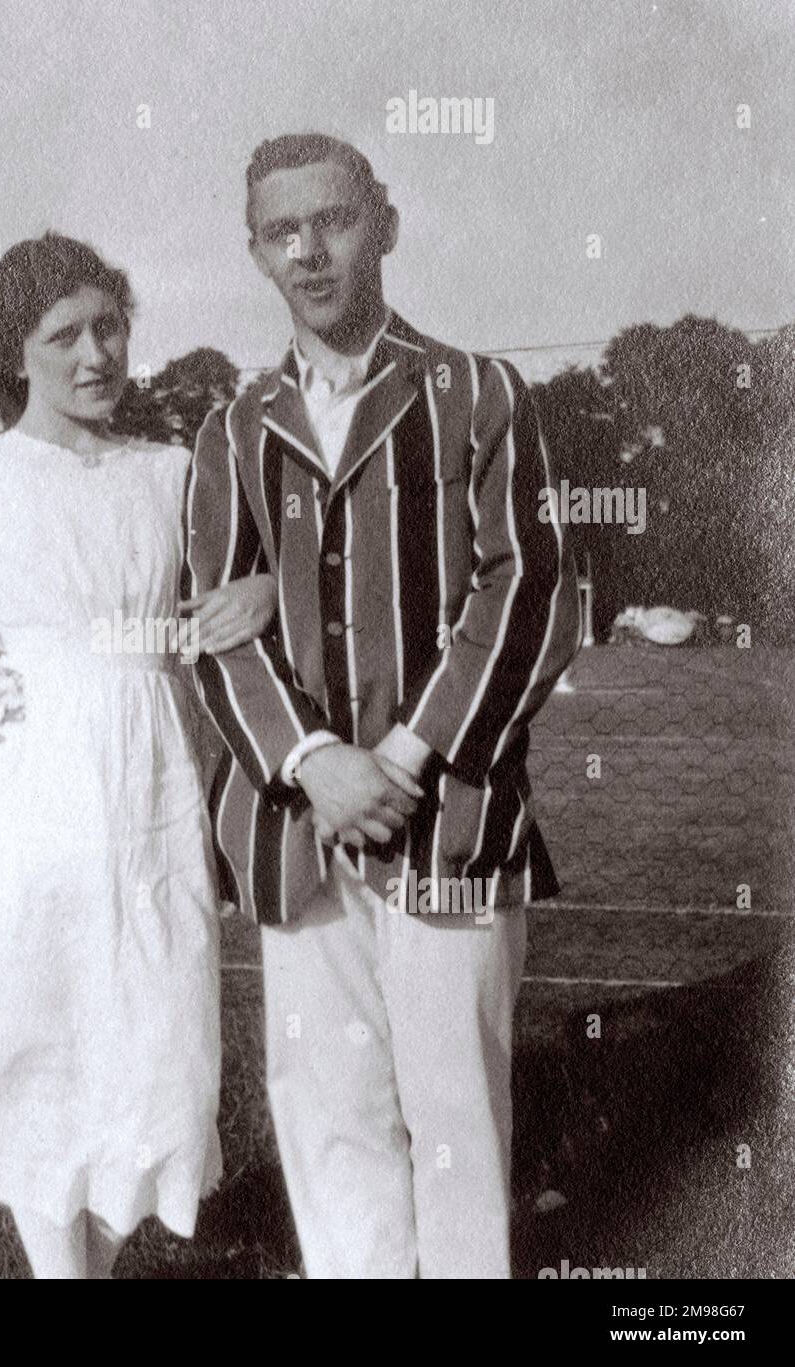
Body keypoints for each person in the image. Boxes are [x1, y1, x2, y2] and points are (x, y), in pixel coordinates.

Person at [0, 232, 277, 1278]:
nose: (93, 354)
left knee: (153, 1044)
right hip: (20, 795)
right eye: (63, 334)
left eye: (109, 326)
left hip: (150, 787)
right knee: (29, 1036)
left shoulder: (175, 471)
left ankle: (94, 1264)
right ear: (14, 352)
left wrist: (257, 591)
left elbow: (266, 578)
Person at [183, 133, 581, 1278]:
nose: (310, 250)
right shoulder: (232, 424)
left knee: (455, 1119)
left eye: (334, 219)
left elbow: (531, 592)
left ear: (386, 224)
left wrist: (397, 758)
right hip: (299, 827)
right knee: (328, 1109)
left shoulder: (477, 390)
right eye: (280, 231)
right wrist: (312, 761)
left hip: (447, 816)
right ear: (254, 252)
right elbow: (212, 629)